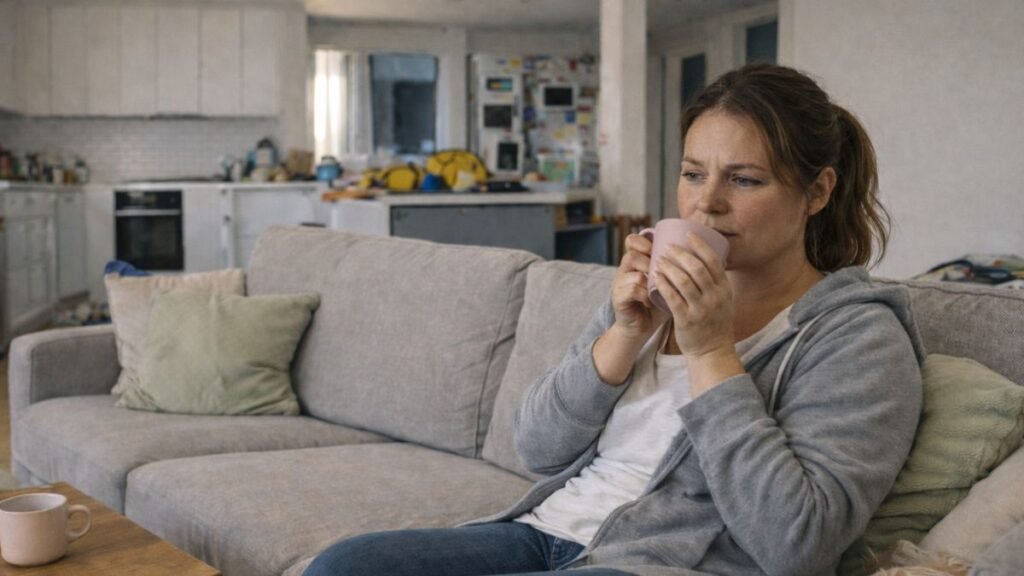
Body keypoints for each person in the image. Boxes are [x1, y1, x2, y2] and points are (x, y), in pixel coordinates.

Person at [304, 63, 924, 576]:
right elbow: (539, 449)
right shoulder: (652, 293)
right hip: (543, 536)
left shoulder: (857, 338)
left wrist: (711, 353)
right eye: (692, 174)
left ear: (816, 192)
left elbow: (798, 545)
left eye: (744, 179)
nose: (707, 202)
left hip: (655, 563)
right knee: (342, 567)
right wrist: (623, 334)